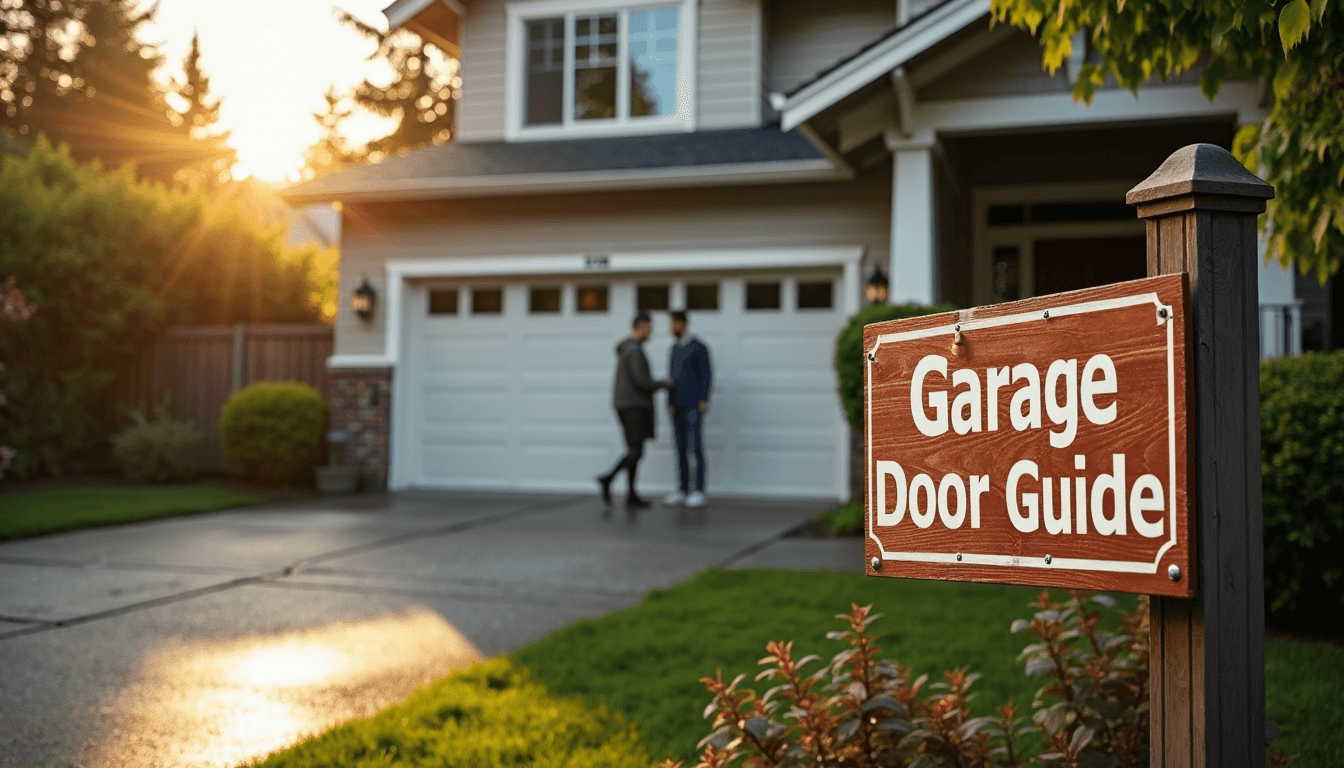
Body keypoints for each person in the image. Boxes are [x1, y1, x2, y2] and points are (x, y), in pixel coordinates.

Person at [597, 313, 670, 511]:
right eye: (649, 329)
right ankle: (607, 479)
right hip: (634, 406)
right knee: (635, 451)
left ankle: (631, 495)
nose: (651, 333)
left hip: (627, 405)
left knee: (635, 450)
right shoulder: (634, 351)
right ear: (641, 327)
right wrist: (663, 384)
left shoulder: (627, 349)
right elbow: (642, 382)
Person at [664, 310, 712, 508]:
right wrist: (668, 402)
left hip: (693, 405)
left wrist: (704, 398)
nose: (670, 328)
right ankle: (682, 490)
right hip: (677, 406)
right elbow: (671, 377)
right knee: (680, 448)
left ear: (682, 324)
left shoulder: (698, 347)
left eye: (673, 324)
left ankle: (699, 491)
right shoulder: (674, 348)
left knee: (695, 448)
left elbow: (707, 374)